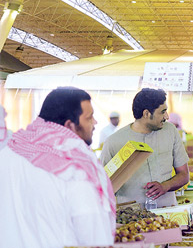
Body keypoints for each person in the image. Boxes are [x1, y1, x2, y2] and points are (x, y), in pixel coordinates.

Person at [0, 87, 115, 247]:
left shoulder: (9, 152)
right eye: (89, 118)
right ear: (70, 125)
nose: (95, 122)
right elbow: (94, 235)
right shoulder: (74, 170)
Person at [101, 88, 189, 208]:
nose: (167, 117)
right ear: (146, 114)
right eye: (162, 112)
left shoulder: (170, 131)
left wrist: (165, 186)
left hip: (168, 214)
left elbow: (184, 175)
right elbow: (103, 187)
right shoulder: (114, 142)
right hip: (131, 220)